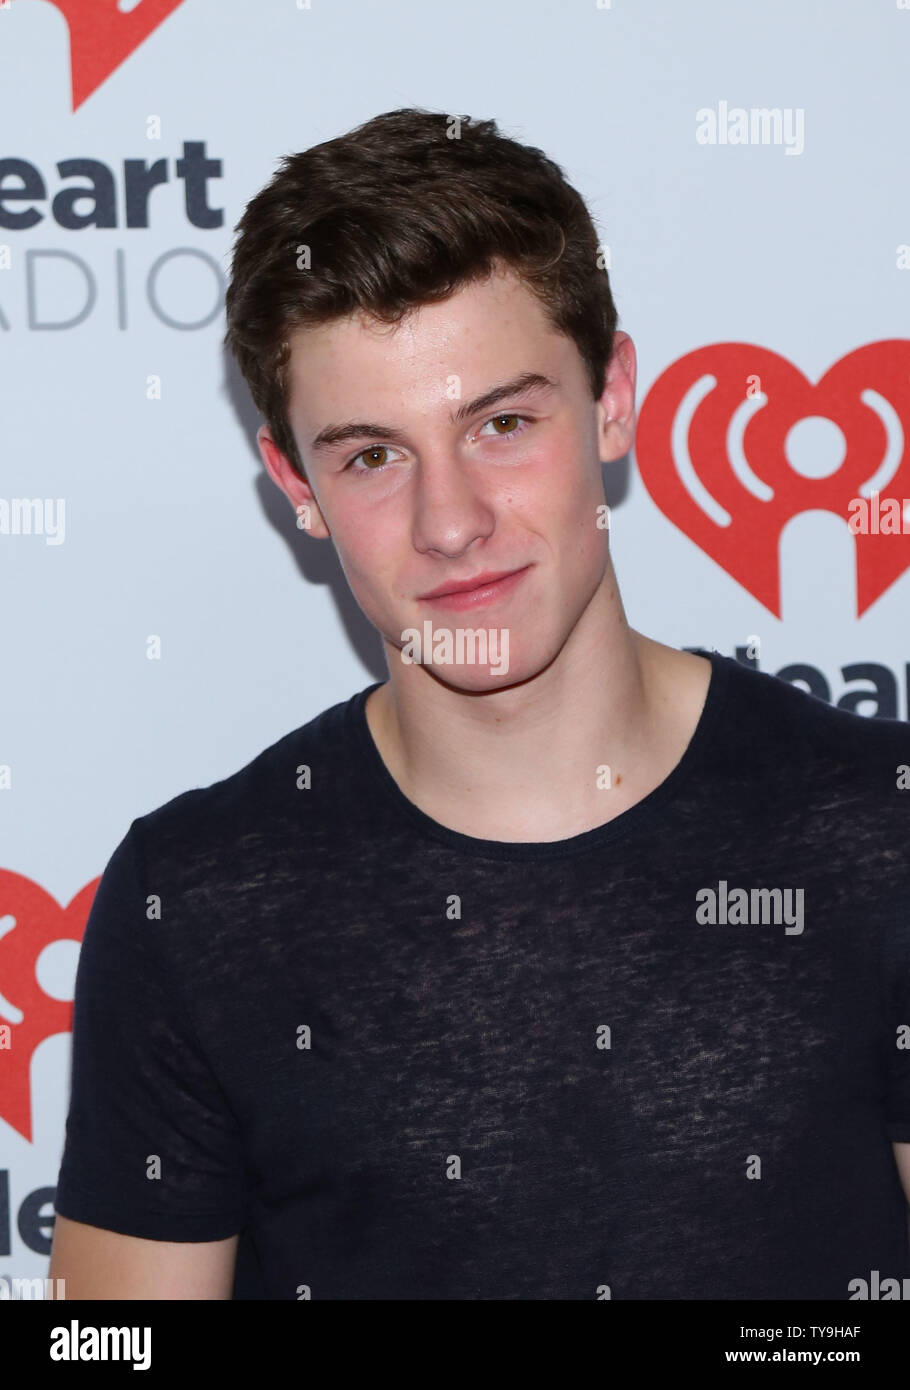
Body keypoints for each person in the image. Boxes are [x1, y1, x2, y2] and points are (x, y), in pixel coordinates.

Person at [50, 107, 910, 1300]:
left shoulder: (880, 831)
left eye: (502, 424)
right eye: (371, 455)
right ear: (294, 483)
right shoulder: (192, 901)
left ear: (612, 400)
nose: (450, 523)